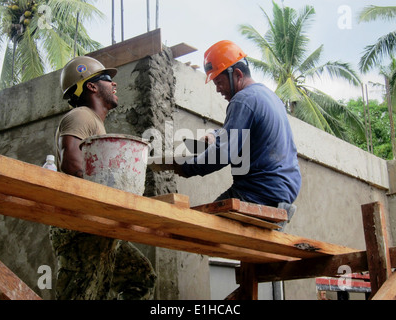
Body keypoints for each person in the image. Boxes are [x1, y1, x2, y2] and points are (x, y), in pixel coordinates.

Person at [50, 56, 156, 300]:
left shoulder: (95, 124)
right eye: (109, 79)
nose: (115, 85)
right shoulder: (82, 116)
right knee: (82, 295)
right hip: (80, 225)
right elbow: (72, 163)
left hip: (96, 223)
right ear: (92, 86)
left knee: (140, 277)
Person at [175, 40, 301, 226]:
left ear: (238, 74)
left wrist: (185, 167)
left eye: (219, 82)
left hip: (259, 192)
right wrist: (215, 136)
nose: (218, 89)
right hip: (282, 191)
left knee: (200, 225)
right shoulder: (269, 97)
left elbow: (222, 154)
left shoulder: (243, 100)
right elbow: (241, 133)